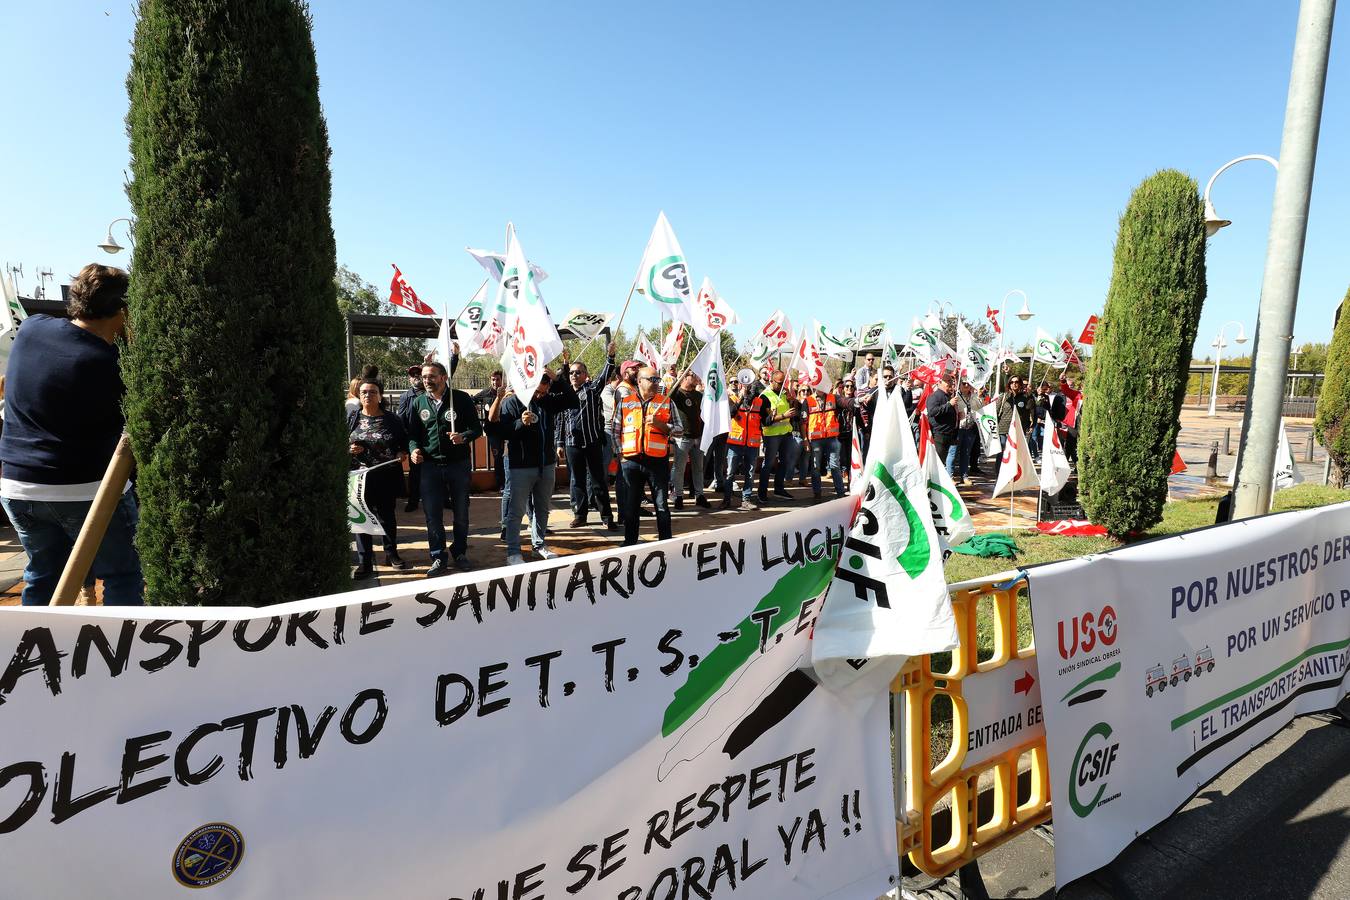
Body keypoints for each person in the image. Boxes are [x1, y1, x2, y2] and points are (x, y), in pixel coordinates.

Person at [0, 263, 143, 605]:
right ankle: (116, 657)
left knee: (42, 575)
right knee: (123, 575)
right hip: (87, 490)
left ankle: (36, 653)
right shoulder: (111, 364)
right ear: (123, 310)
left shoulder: (33, 328)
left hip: (19, 486)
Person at [494, 358, 579, 564]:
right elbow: (500, 430)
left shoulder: (547, 401)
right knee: (516, 512)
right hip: (520, 467)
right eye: (537, 391)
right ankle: (513, 552)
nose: (540, 395)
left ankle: (538, 545)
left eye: (544, 391)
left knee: (542, 508)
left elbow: (572, 401)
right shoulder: (511, 402)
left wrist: (557, 380)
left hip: (546, 465)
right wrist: (519, 424)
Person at [407, 360, 481, 576]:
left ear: (443, 377)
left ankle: (459, 552)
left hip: (458, 465)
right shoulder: (419, 402)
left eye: (431, 376)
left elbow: (476, 428)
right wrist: (413, 450)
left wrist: (463, 437)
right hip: (430, 467)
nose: (427, 380)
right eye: (424, 377)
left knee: (461, 513)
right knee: (432, 514)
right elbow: (413, 435)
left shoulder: (460, 399)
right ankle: (438, 556)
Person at [348, 379, 410, 578]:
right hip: (359, 477)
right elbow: (339, 441)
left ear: (380, 395)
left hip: (386, 474)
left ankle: (391, 554)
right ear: (359, 395)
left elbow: (403, 443)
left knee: (387, 516)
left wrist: (401, 453)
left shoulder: (392, 419)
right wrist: (349, 449)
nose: (368, 395)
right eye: (364, 392)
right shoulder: (352, 418)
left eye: (373, 392)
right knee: (361, 516)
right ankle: (364, 560)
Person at [558, 344, 617, 530]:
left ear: (585, 374)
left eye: (578, 372)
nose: (574, 375)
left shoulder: (592, 390)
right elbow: (560, 420)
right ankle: (580, 515)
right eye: (572, 373)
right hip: (571, 444)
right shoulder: (565, 394)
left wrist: (610, 356)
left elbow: (604, 376)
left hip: (592, 442)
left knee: (599, 481)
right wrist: (559, 443)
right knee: (577, 481)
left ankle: (607, 517)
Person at [618, 365, 676, 545]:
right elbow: (615, 430)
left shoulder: (666, 402)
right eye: (652, 379)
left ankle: (665, 542)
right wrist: (620, 455)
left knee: (661, 506)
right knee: (631, 507)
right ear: (639, 381)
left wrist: (660, 424)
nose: (656, 383)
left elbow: (679, 430)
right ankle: (630, 542)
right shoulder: (625, 402)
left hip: (657, 462)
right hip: (631, 462)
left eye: (657, 379)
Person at [721, 379, 768, 508]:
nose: (750, 389)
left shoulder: (760, 401)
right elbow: (730, 414)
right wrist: (741, 398)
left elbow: (765, 421)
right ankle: (726, 500)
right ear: (741, 385)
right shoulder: (733, 398)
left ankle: (746, 500)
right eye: (748, 386)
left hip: (752, 444)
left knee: (750, 473)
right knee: (730, 472)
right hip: (735, 442)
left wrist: (772, 416)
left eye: (752, 386)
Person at [670, 371, 710, 510]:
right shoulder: (678, 394)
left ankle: (699, 495)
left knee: (698, 468)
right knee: (679, 468)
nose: (697, 377)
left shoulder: (698, 395)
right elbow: (669, 396)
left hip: (698, 437)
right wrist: (678, 378)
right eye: (693, 375)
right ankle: (678, 496)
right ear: (685, 377)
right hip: (682, 437)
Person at [757, 370, 796, 502]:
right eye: (780, 383)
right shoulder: (765, 396)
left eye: (784, 382)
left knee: (785, 462)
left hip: (786, 433)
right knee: (768, 464)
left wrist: (792, 401)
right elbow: (765, 421)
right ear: (772, 381)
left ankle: (779, 489)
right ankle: (762, 493)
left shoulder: (784, 393)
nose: (782, 385)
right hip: (772, 435)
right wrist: (783, 416)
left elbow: (794, 411)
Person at [805, 384, 845, 499]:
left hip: (832, 439)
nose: (820, 388)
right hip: (815, 440)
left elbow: (846, 402)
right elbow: (803, 423)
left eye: (823, 385)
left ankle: (840, 493)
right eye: (817, 386)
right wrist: (805, 440)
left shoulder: (833, 398)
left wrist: (857, 400)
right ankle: (817, 493)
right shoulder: (808, 401)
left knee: (835, 466)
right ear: (813, 387)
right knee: (816, 467)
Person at [472, 370, 506, 491]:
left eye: (497, 379)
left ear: (502, 380)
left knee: (508, 456)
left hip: (507, 429)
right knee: (498, 457)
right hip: (493, 431)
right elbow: (472, 400)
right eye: (493, 379)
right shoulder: (485, 393)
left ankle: (510, 482)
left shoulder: (507, 392)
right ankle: (501, 484)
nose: (495, 382)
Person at [398, 365, 426, 511]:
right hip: (415, 441)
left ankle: (444, 499)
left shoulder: (431, 392)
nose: (416, 376)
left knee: (439, 471)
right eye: (413, 375)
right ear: (409, 379)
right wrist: (404, 445)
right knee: (415, 473)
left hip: (431, 439)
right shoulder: (405, 396)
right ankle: (413, 501)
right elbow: (401, 420)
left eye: (419, 374)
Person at [926, 372, 959, 473]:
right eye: (947, 381)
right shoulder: (935, 396)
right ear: (940, 382)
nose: (950, 383)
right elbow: (932, 412)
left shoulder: (948, 396)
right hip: (940, 435)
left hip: (949, 434)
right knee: (937, 463)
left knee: (942, 462)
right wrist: (949, 404)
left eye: (951, 381)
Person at [954, 380, 981, 485]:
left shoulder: (974, 396)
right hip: (958, 428)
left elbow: (981, 408)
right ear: (959, 385)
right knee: (954, 453)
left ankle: (964, 476)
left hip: (970, 428)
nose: (966, 385)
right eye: (964, 383)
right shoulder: (955, 396)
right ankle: (950, 475)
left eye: (968, 384)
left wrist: (978, 397)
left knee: (966, 453)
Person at [995, 376, 1034, 449]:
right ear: (1009, 384)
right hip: (1004, 429)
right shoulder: (1003, 396)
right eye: (1012, 382)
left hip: (1019, 429)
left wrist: (1030, 426)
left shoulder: (1025, 397)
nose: (1014, 384)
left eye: (1016, 382)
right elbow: (995, 412)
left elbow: (1030, 412)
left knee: (1016, 453)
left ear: (1020, 384)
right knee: (1003, 451)